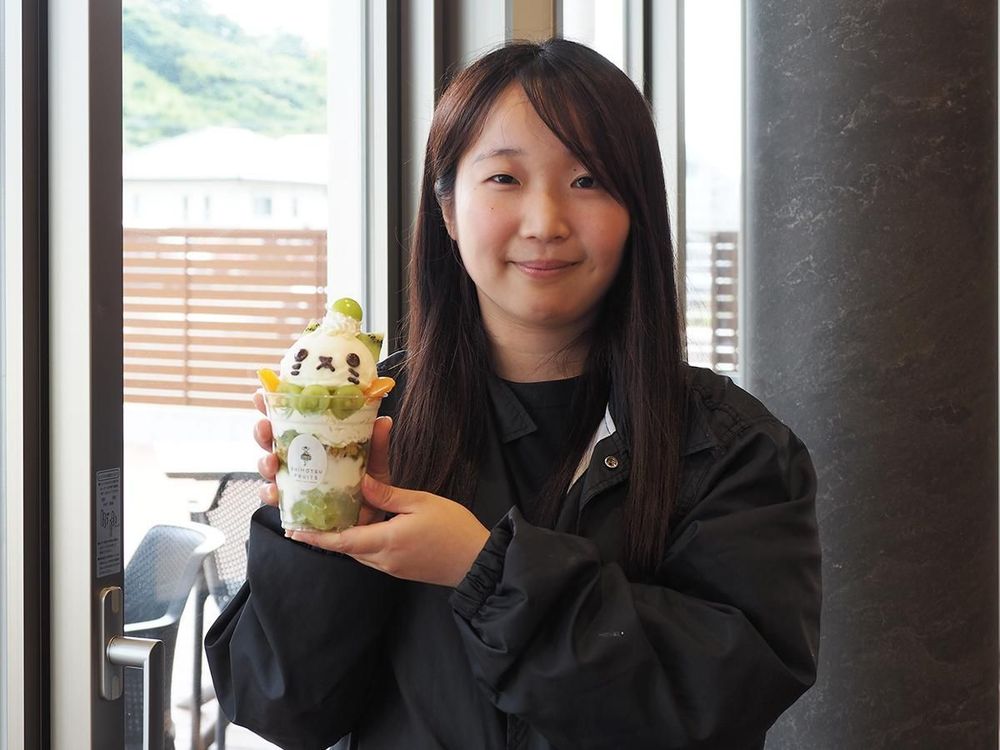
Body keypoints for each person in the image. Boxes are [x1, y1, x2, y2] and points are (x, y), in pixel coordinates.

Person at [206, 38, 821, 750]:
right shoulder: (375, 420)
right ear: (447, 208)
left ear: (637, 212)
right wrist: (321, 533)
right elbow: (280, 705)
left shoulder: (731, 449)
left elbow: (717, 701)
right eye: (504, 178)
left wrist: (487, 571)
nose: (545, 222)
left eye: (588, 180)